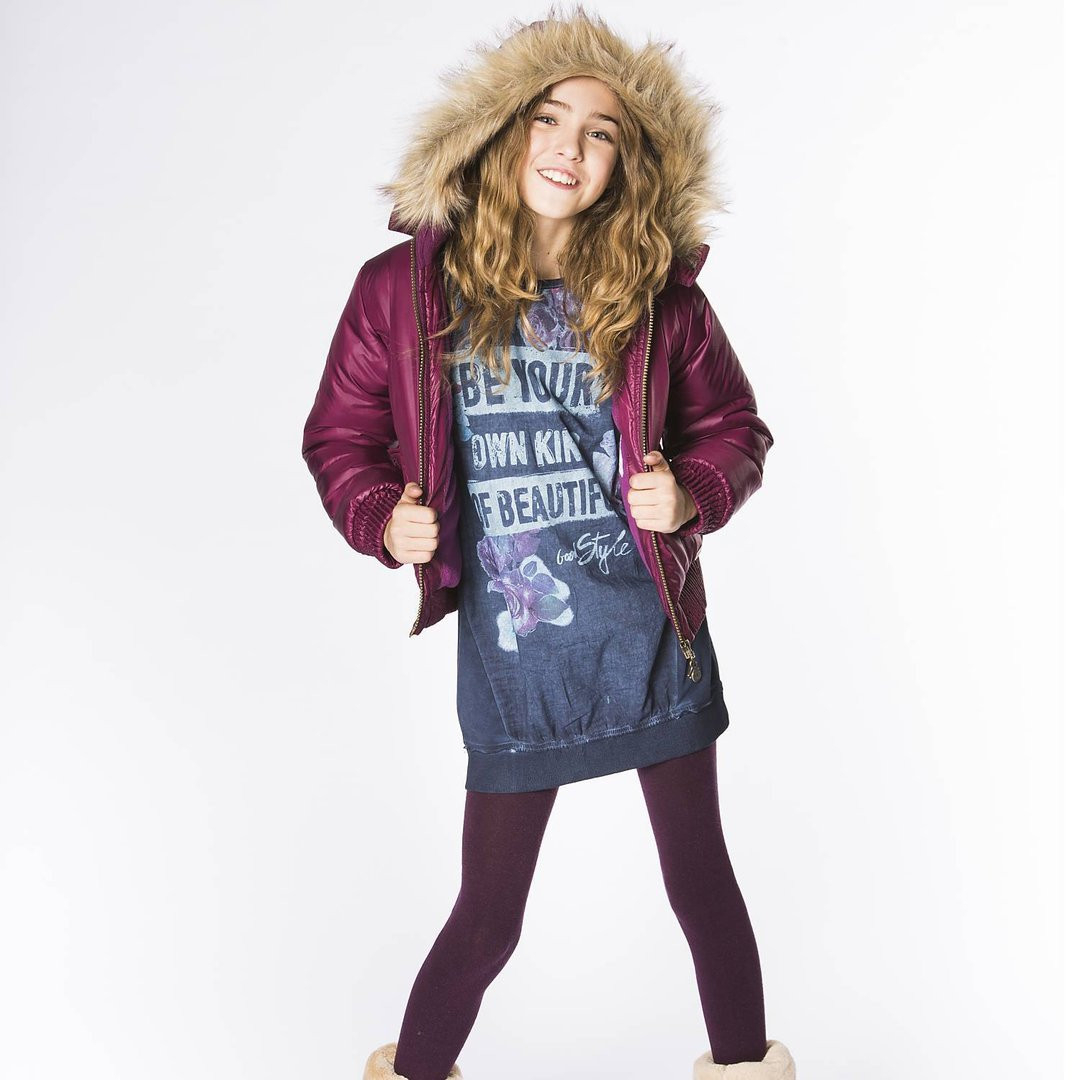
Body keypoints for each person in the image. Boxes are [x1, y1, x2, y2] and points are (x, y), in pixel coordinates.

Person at [301, 8, 796, 1079]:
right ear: (498, 131)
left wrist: (695, 491)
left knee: (701, 884)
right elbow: (340, 436)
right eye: (547, 119)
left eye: (600, 132)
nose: (570, 147)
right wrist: (380, 515)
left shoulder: (661, 299)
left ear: (627, 164)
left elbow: (735, 428)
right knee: (489, 915)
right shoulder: (402, 291)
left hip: (651, 636)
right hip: (516, 660)